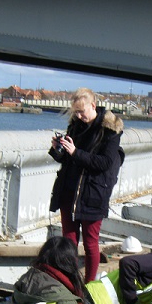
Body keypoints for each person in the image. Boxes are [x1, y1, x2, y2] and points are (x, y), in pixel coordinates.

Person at [49, 88, 124, 283]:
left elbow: (104, 163)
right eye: (76, 112)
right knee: (69, 241)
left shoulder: (110, 130)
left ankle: (90, 284)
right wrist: (58, 149)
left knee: (91, 243)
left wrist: (75, 153)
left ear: (93, 105)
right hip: (69, 191)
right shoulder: (75, 125)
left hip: (93, 193)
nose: (79, 116)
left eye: (82, 111)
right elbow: (66, 159)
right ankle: (71, 281)